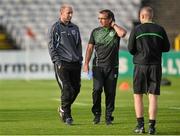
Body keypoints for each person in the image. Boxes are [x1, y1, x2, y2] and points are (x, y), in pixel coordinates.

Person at [128, 6, 170, 134]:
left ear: (142, 16)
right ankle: (152, 127)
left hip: (140, 65)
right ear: (151, 16)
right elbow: (167, 48)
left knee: (138, 96)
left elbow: (130, 49)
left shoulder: (137, 29)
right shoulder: (160, 29)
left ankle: (140, 126)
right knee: (153, 97)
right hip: (155, 66)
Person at [83, 9, 127, 125]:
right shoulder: (95, 31)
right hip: (98, 66)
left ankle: (108, 116)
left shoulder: (115, 31)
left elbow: (123, 34)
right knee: (97, 90)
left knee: (110, 92)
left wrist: (114, 25)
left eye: (103, 18)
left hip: (113, 67)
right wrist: (86, 63)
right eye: (99, 18)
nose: (100, 21)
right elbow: (90, 48)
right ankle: (97, 114)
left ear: (110, 19)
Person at [48, 4, 83, 125]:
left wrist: (80, 59)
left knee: (77, 89)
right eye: (68, 13)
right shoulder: (55, 27)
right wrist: (56, 61)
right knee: (67, 88)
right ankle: (67, 116)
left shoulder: (75, 28)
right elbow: (51, 45)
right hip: (62, 63)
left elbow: (79, 44)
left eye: (71, 12)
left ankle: (63, 108)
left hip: (75, 63)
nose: (70, 15)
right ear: (61, 13)